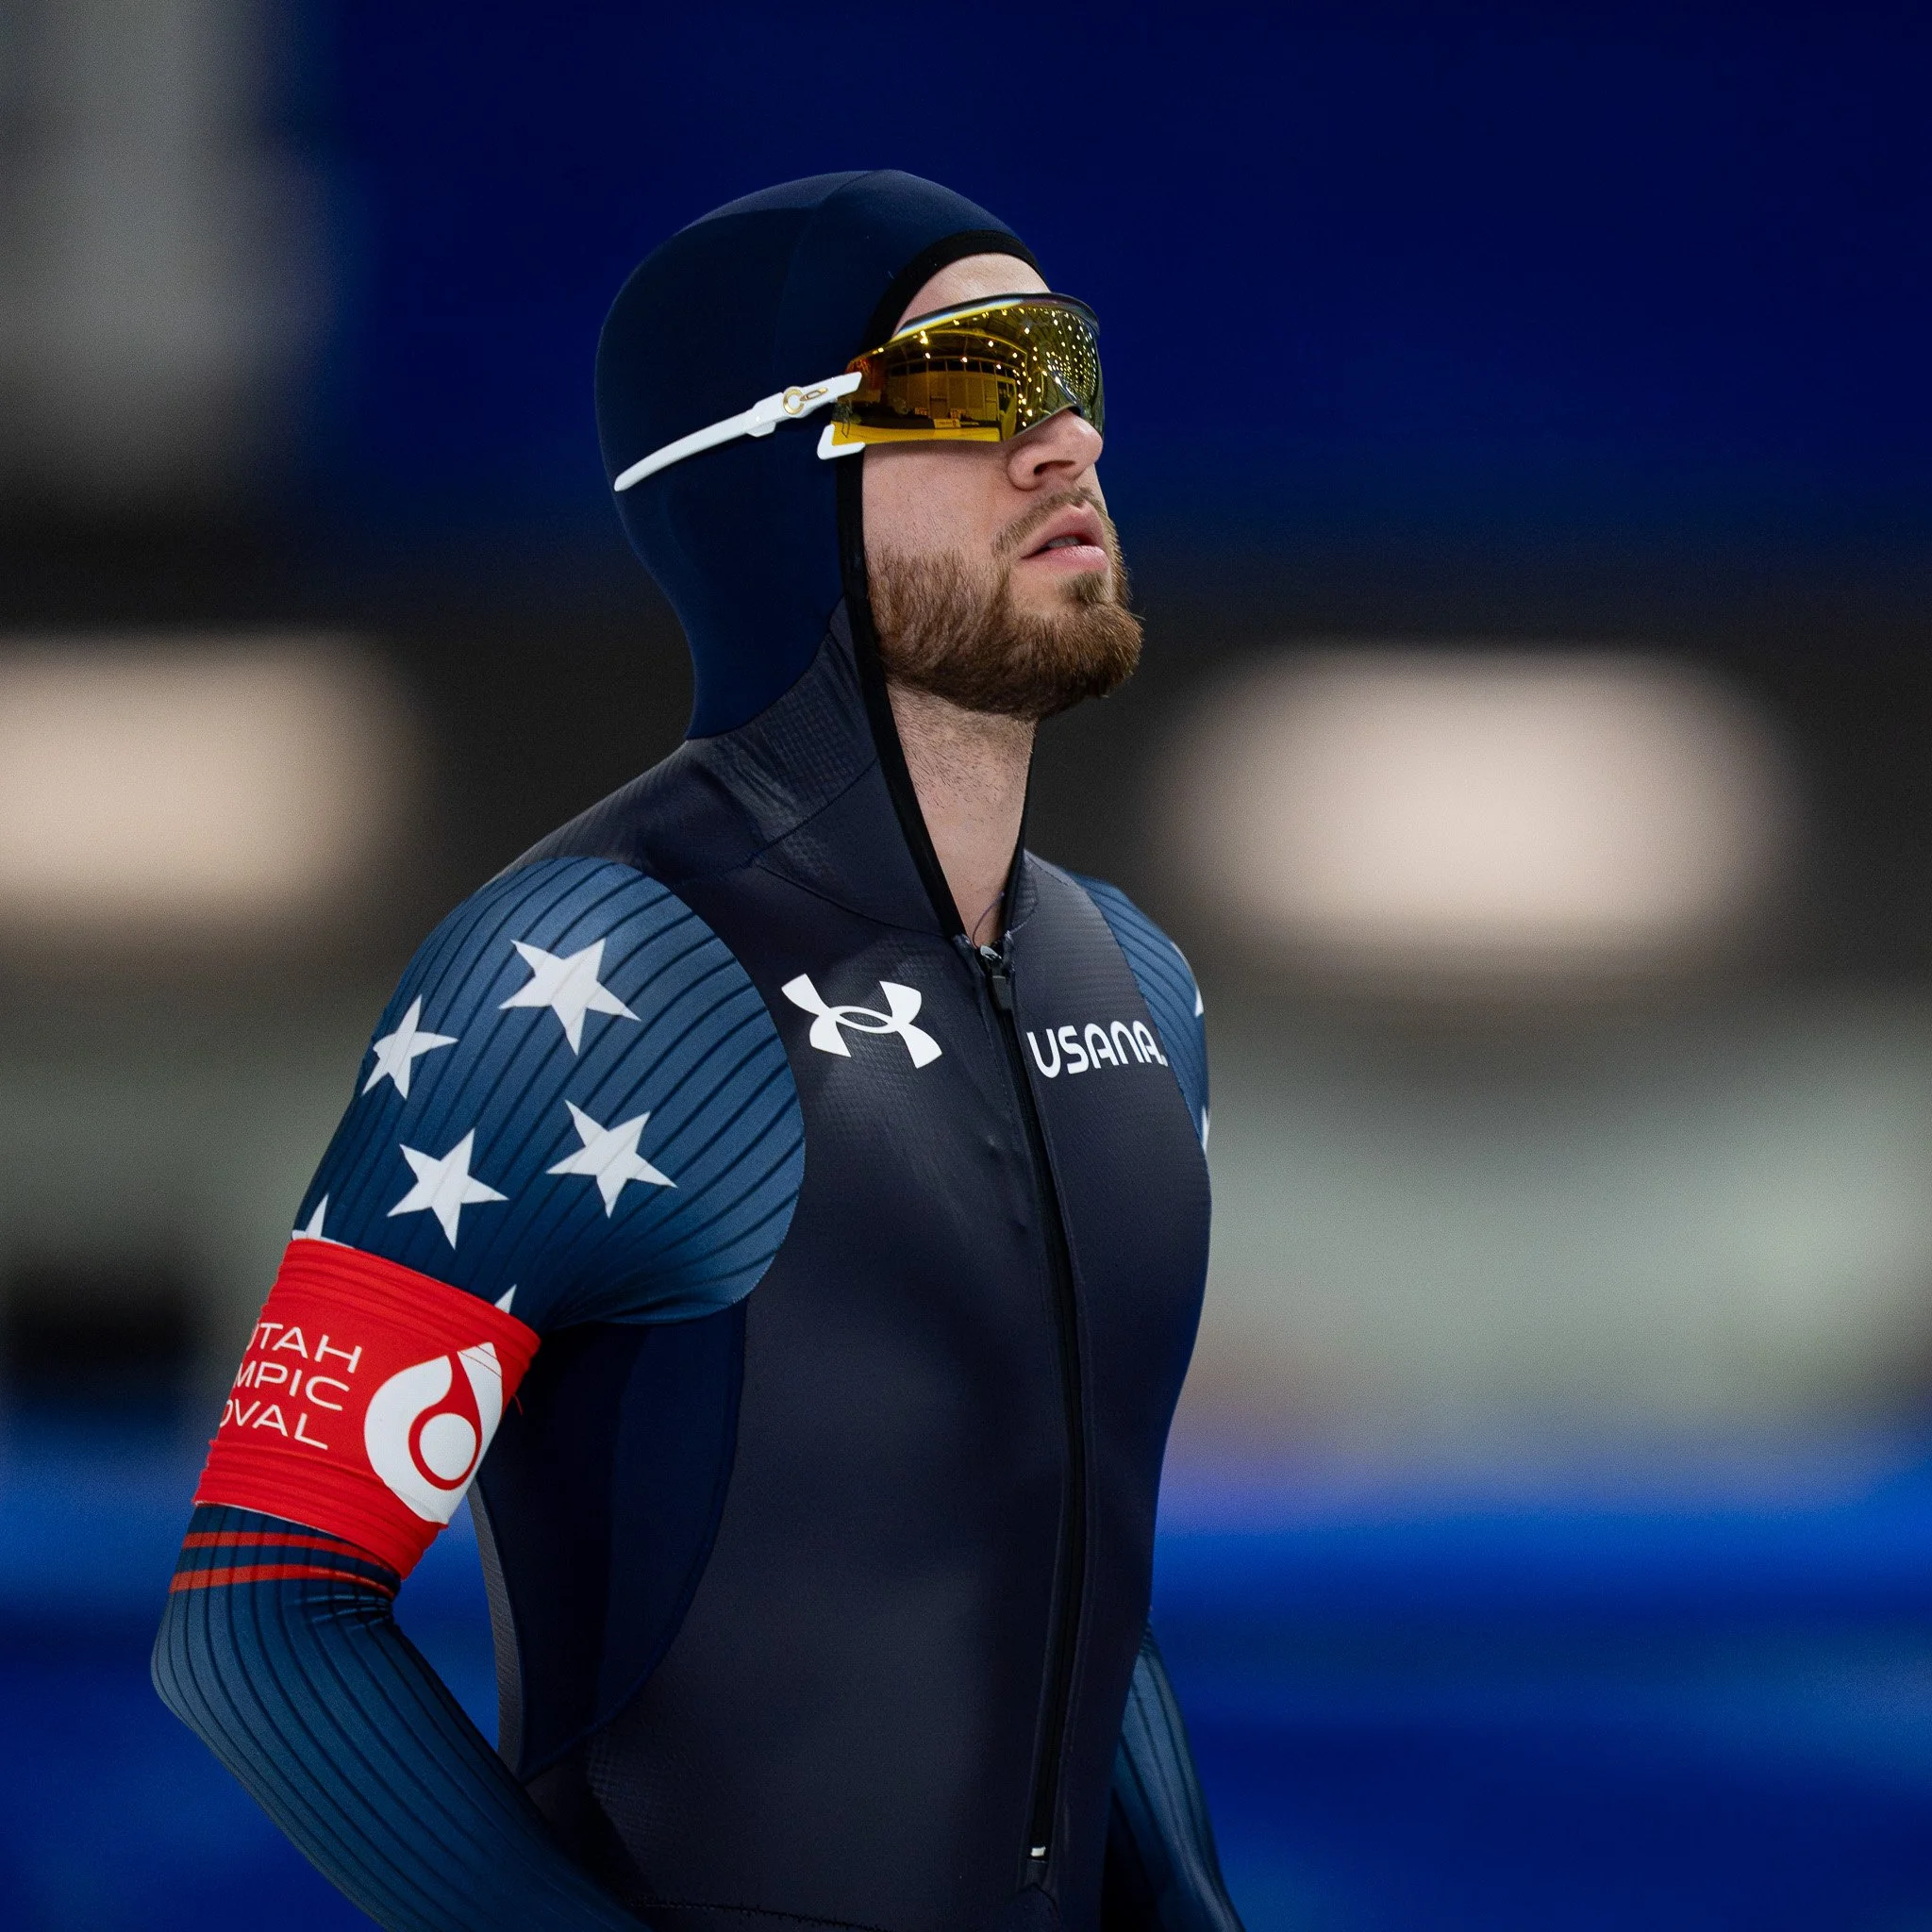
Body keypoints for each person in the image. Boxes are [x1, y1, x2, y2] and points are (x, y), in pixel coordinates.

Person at [154, 169, 1240, 1932]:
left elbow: (1064, 1591)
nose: (1060, 440)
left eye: (1068, 365)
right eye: (969, 379)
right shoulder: (589, 970)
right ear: (755, 483)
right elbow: (259, 1621)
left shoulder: (1133, 984)